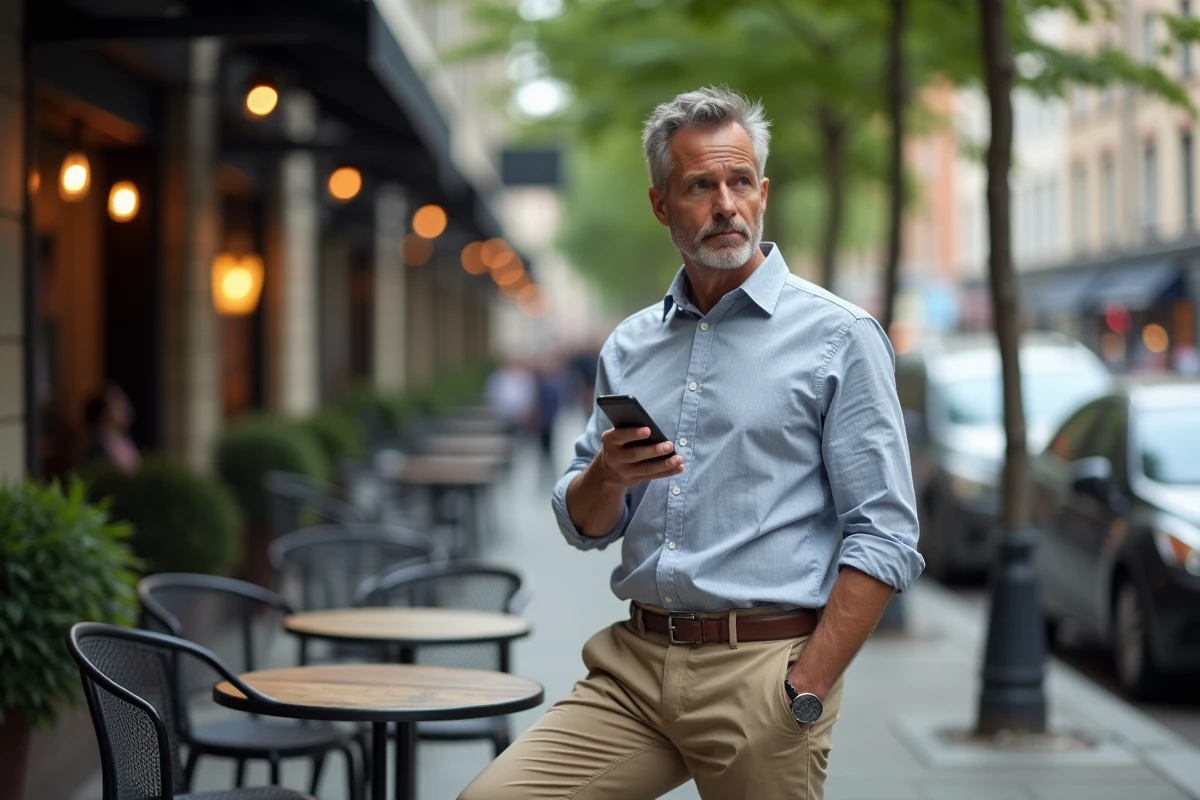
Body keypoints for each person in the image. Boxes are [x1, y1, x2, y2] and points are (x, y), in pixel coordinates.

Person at [460, 87, 923, 800]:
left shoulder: (840, 337)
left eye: (740, 182)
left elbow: (886, 534)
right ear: (660, 205)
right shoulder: (632, 342)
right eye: (699, 186)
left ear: (763, 193)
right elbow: (584, 526)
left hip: (762, 671)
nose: (725, 204)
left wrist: (807, 685)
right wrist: (608, 476)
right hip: (635, 667)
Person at [82, 382, 142, 474]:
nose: (125, 406)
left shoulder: (124, 440)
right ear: (104, 411)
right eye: (118, 402)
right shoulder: (99, 447)